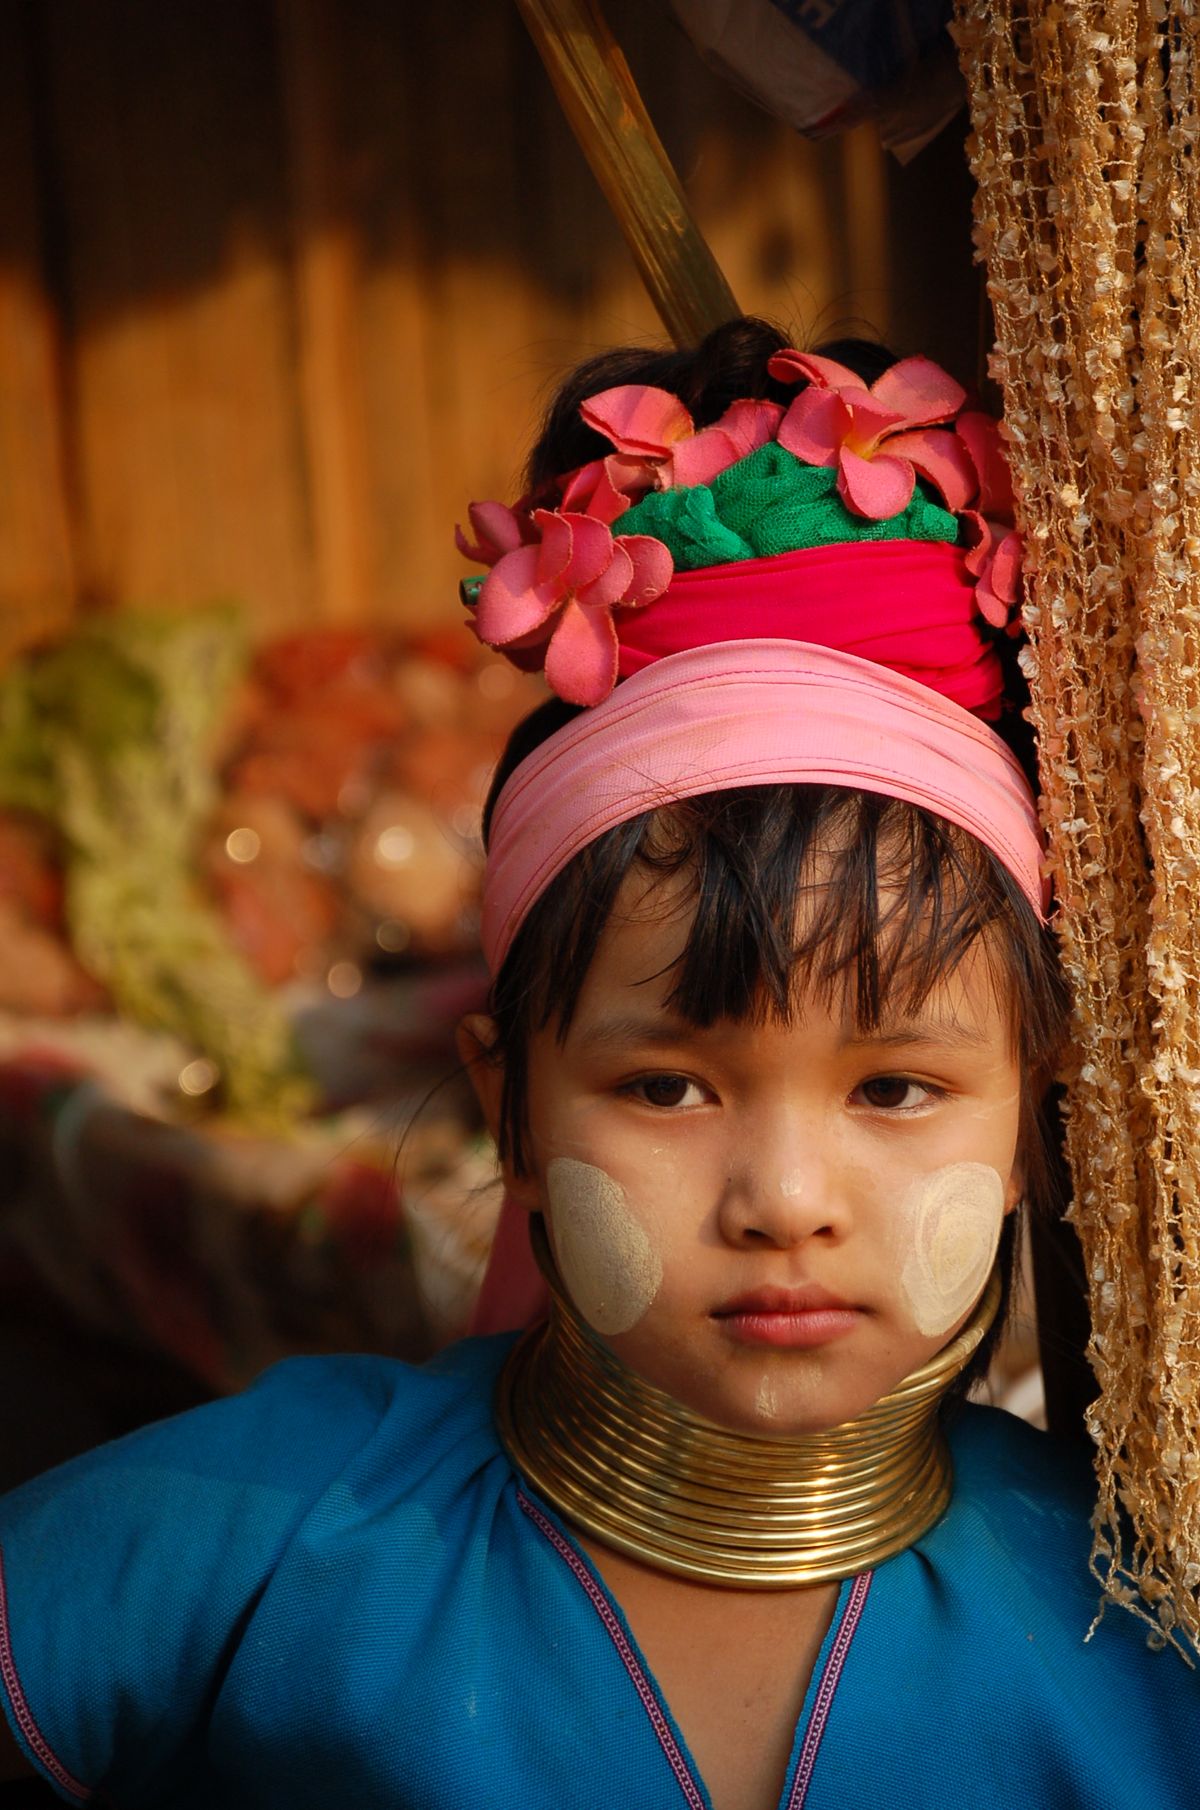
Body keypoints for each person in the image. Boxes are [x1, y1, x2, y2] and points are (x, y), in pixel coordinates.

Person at [0, 318, 1197, 1810]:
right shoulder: (258, 1531)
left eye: (894, 1086)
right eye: (668, 1085)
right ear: (509, 1103)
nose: (784, 1199)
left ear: (1037, 1105)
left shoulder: (1136, 1631)